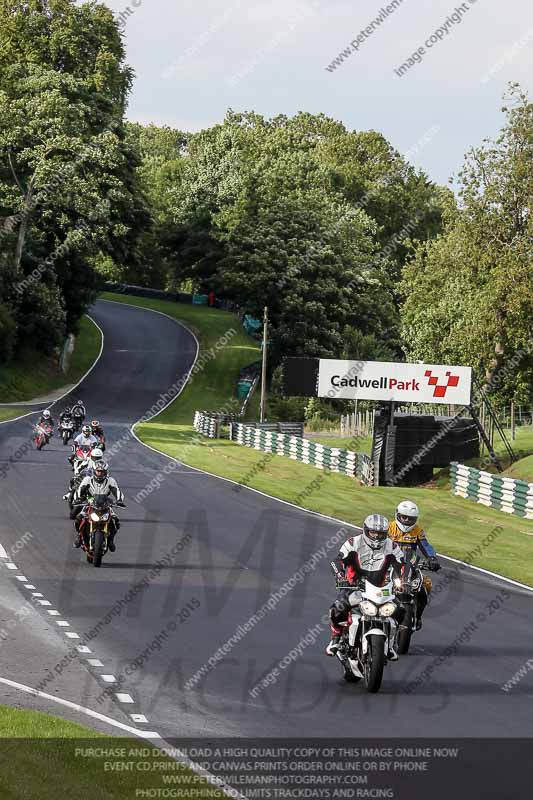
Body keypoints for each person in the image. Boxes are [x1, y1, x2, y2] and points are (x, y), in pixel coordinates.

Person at [326, 514, 404, 659]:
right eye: (373, 532)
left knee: (400, 610)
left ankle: (390, 643)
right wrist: (340, 577)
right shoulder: (353, 543)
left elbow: (402, 565)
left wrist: (403, 581)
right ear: (366, 530)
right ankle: (336, 637)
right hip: (354, 586)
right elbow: (336, 562)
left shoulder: (392, 546)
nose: (376, 536)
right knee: (337, 608)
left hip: (381, 589)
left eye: (380, 533)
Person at [388, 500, 441, 630]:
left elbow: (425, 545)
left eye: (410, 518)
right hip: (389, 564)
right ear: (397, 515)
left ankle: (418, 616)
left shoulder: (417, 531)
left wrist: (432, 558)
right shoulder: (388, 528)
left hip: (410, 565)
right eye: (404, 517)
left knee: (426, 584)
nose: (406, 520)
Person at [73, 462, 124, 551]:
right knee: (78, 518)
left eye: (102, 471)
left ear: (106, 472)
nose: (100, 473)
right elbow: (79, 490)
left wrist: (119, 500)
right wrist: (78, 498)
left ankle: (111, 540)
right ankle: (79, 536)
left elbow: (117, 490)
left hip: (106, 504)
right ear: (94, 471)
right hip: (90, 503)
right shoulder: (88, 480)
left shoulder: (110, 480)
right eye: (98, 471)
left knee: (115, 520)